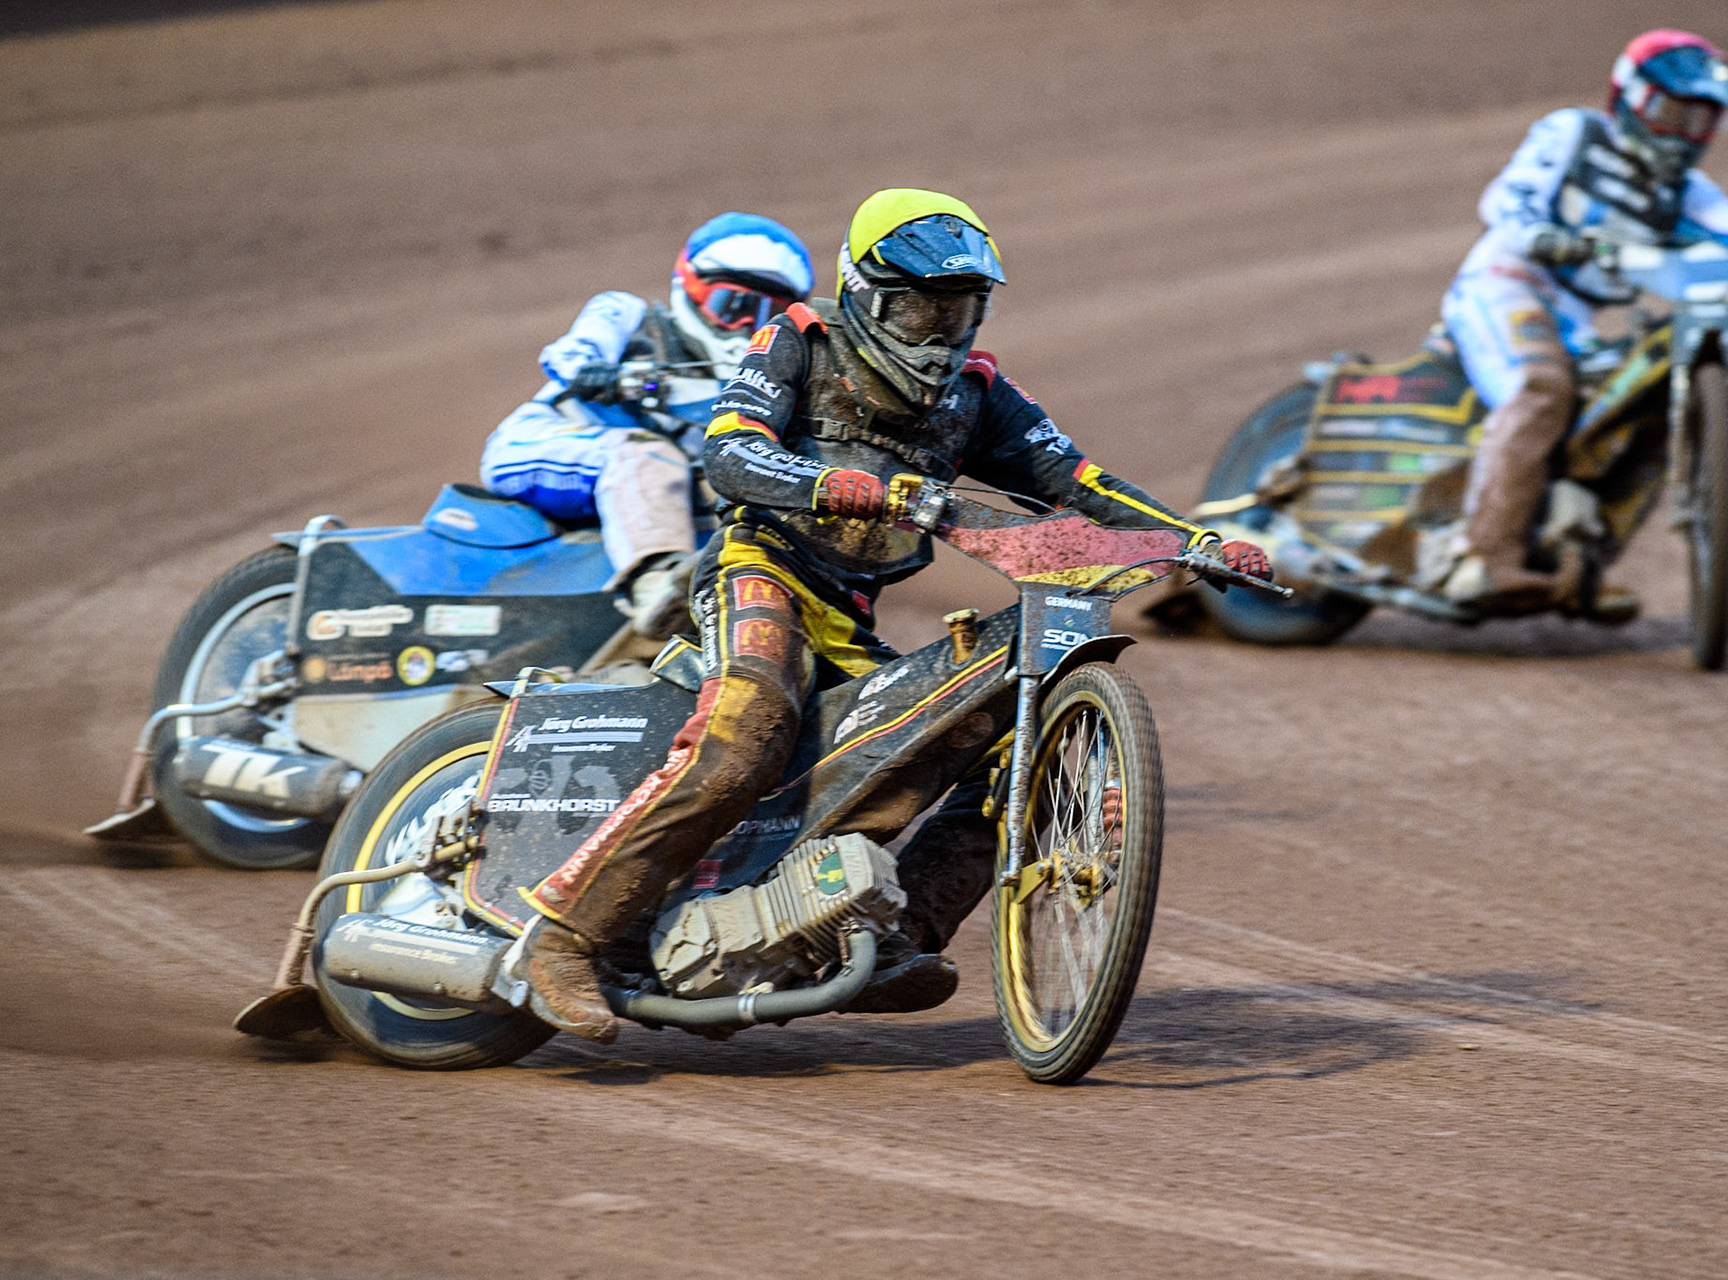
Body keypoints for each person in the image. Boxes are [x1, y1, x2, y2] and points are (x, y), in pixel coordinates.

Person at [510, 188, 1274, 1042]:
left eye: (959, 308)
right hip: (762, 571)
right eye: (920, 304)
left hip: (849, 613)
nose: (939, 330)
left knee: (976, 739)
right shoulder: (801, 340)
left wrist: (1193, 540)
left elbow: (1081, 485)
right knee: (750, 725)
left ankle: (894, 932)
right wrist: (820, 483)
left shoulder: (979, 395)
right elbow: (728, 451)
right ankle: (566, 935)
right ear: (869, 294)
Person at [1438, 30, 1728, 613]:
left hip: (1573, 320)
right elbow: (1507, 198)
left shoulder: (1683, 193)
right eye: (1671, 113)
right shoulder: (1574, 134)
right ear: (1629, 97)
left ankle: (1578, 568)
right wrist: (1541, 237)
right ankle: (1482, 558)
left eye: (1699, 122)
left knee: (1636, 412)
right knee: (1540, 390)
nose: (1682, 136)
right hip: (1507, 284)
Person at [480, 213, 814, 639]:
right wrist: (605, 375)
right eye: (735, 306)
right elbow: (565, 355)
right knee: (645, 452)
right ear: (691, 288)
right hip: (537, 445)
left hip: (639, 482)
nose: (749, 325)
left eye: (772, 315)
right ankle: (657, 584)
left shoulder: (754, 385)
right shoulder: (626, 315)